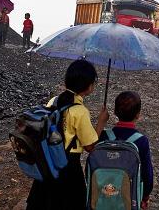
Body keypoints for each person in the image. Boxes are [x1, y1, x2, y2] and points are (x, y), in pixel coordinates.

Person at [26, 60, 109, 210]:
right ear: (89, 86)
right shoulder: (80, 111)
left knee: (45, 202)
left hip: (48, 162)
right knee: (70, 203)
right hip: (68, 167)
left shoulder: (54, 100)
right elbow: (90, 146)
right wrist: (101, 123)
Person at [98, 91, 153, 209]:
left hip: (102, 194)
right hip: (129, 197)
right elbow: (147, 174)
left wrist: (101, 121)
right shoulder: (141, 141)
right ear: (138, 115)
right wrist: (145, 197)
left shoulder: (104, 136)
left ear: (114, 112)